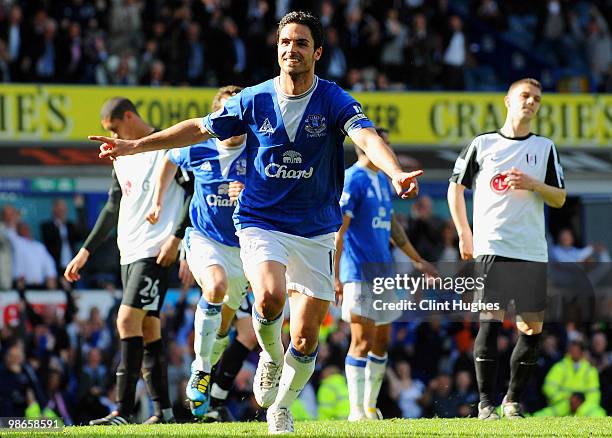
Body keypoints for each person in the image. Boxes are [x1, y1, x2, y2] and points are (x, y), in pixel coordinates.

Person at [92, 11, 422, 433]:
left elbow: (366, 136)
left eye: (301, 42)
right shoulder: (254, 98)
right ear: (277, 48)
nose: (291, 49)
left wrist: (394, 173)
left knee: (304, 337)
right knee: (267, 298)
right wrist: (135, 145)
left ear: (316, 52)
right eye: (285, 42)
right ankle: (268, 353)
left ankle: (280, 406)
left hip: (316, 227)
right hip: (261, 220)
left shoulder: (334, 98)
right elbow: (198, 127)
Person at [64, 97, 192, 425]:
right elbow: (112, 206)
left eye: (115, 128)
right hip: (129, 251)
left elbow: (193, 193)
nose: (113, 136)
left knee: (125, 321)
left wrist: (178, 238)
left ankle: (123, 410)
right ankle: (163, 412)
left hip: (155, 250)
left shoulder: (168, 146)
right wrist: (85, 250)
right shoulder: (120, 157)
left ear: (129, 117)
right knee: (148, 327)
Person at [448, 77, 566, 420]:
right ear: (508, 101)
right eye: (525, 96)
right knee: (491, 322)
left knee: (531, 328)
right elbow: (456, 188)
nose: (531, 102)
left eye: (537, 99)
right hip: (492, 245)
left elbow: (559, 197)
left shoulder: (545, 148)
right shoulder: (483, 144)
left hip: (531, 249)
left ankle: (512, 400)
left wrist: (532, 184)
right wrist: (463, 234)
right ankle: (486, 404)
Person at [146, 85, 256, 418]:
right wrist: (157, 199)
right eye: (226, 115)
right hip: (204, 238)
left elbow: (281, 188)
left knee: (226, 330)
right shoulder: (198, 149)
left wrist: (250, 191)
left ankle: (212, 389)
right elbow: (169, 158)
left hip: (244, 248)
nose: (233, 123)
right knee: (215, 287)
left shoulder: (259, 151)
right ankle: (202, 368)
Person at [335, 127, 436, 421]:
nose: (388, 151)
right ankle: (356, 411)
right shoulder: (353, 179)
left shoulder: (381, 180)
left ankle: (369, 406)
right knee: (362, 341)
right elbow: (339, 233)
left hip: (384, 275)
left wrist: (418, 261)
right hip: (358, 272)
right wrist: (335, 275)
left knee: (380, 342)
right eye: (384, 145)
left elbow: (392, 227)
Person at [40, 197, 87, 276]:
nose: (62, 212)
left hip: (71, 267)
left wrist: (80, 210)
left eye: (64, 209)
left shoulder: (70, 226)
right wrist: (59, 226)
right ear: (54, 210)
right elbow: (49, 240)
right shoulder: (46, 226)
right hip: (54, 267)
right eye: (59, 209)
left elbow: (81, 236)